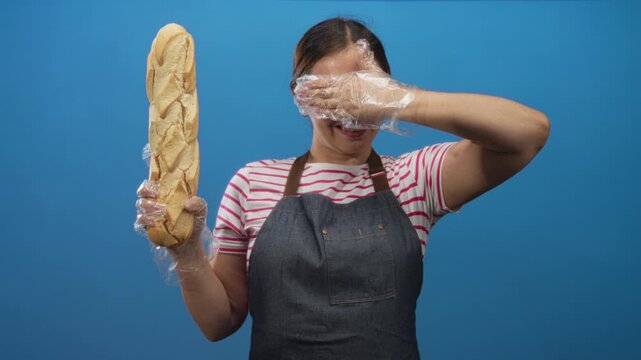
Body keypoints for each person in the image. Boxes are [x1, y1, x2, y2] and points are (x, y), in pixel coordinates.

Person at [135, 17, 550, 359]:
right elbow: (218, 323)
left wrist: (399, 100)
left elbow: (528, 133)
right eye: (331, 95)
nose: (350, 111)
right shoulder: (252, 182)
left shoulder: (415, 179)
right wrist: (187, 252)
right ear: (300, 96)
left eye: (361, 93)